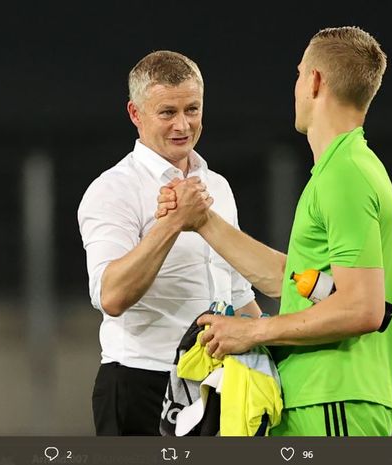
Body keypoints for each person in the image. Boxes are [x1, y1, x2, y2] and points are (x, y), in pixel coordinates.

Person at [155, 26, 392, 436]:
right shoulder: (346, 168)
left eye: (299, 74)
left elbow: (363, 308)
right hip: (319, 397)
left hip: (333, 398)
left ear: (316, 82)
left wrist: (254, 331)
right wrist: (202, 222)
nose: (296, 87)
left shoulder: (345, 176)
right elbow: (296, 281)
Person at [77, 50, 261, 436]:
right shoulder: (113, 190)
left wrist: (267, 360)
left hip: (217, 384)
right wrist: (175, 222)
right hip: (142, 382)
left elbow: (239, 293)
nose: (183, 124)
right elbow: (111, 295)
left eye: (192, 109)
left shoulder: (218, 187)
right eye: (167, 112)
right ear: (135, 114)